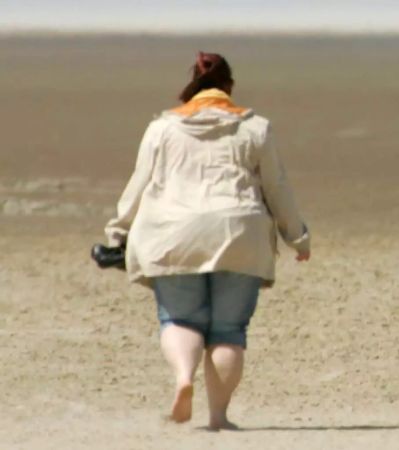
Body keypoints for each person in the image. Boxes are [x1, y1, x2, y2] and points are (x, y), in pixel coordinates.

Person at [104, 52, 311, 429]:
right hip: (239, 232)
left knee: (180, 319)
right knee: (228, 330)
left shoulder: (162, 128)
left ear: (192, 88)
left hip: (171, 234)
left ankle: (184, 378)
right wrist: (297, 238)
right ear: (229, 88)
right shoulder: (256, 128)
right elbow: (276, 188)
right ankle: (218, 417)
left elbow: (138, 184)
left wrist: (117, 232)